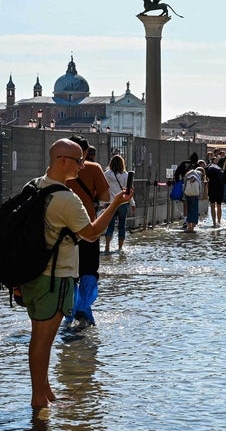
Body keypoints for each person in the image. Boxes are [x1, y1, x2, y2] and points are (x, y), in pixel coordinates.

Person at [22, 138, 132, 408]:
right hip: (55, 277)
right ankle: (39, 401)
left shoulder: (33, 186)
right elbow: (92, 234)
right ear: (62, 161)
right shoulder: (66, 199)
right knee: (43, 340)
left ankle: (46, 392)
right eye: (78, 161)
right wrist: (116, 202)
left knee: (40, 336)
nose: (83, 166)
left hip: (32, 274)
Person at [64, 137, 110, 330]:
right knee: (89, 270)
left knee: (68, 272)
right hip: (88, 227)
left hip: (64, 230)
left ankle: (69, 310)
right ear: (84, 150)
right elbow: (106, 196)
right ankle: (85, 308)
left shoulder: (60, 169)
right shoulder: (93, 168)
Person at [103, 154, 131, 251]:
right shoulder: (125, 175)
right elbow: (128, 191)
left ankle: (107, 246)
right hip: (122, 203)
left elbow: (104, 188)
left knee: (110, 225)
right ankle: (120, 248)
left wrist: (103, 202)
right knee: (122, 226)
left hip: (110, 203)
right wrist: (133, 203)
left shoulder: (107, 174)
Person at [206, 157, 224, 227]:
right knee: (219, 206)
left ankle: (214, 222)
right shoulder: (220, 171)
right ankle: (219, 221)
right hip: (219, 189)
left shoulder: (209, 169)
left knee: (212, 206)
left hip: (212, 189)